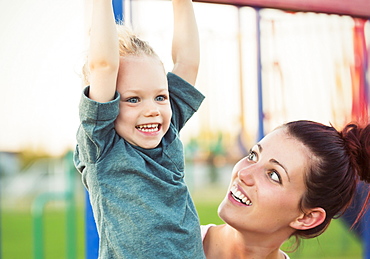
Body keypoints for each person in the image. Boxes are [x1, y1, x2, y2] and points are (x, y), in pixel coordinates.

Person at [73, 0, 206, 258]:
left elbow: (187, 62)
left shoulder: (168, 133)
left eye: (160, 97)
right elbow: (103, 65)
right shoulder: (103, 146)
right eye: (133, 99)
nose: (152, 109)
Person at [201, 120, 370, 259]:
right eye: (253, 156)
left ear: (307, 217)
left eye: (273, 175)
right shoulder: (174, 242)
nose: (244, 173)